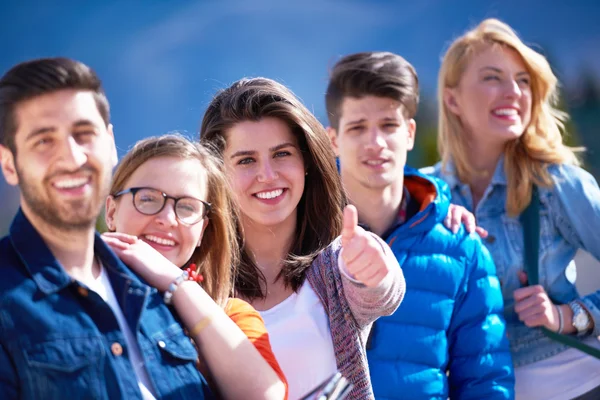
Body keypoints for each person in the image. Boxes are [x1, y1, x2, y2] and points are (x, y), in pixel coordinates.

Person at [0, 58, 213, 399]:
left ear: (111, 144)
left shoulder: (149, 292)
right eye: (43, 141)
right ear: (10, 164)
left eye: (84, 135)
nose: (72, 158)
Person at [200, 77, 406, 400]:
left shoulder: (334, 267)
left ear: (306, 162)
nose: (267, 175)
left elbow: (382, 294)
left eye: (281, 154)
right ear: (217, 172)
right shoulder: (200, 283)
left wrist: (374, 269)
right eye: (246, 160)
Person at [325, 51, 514, 399]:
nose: (375, 143)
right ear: (333, 139)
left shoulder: (461, 246)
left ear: (410, 133)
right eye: (357, 128)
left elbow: (486, 381)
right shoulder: (304, 236)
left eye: (388, 125)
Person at [427, 18, 600, 400]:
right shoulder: (424, 196)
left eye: (523, 80)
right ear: (452, 99)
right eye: (492, 78)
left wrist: (570, 315)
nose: (513, 92)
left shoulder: (557, 184)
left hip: (578, 384)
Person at [101, 134, 287, 399]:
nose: (167, 219)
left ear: (202, 231)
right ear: (111, 212)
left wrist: (175, 283)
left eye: (187, 207)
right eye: (148, 199)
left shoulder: (231, 316)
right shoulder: (70, 294)